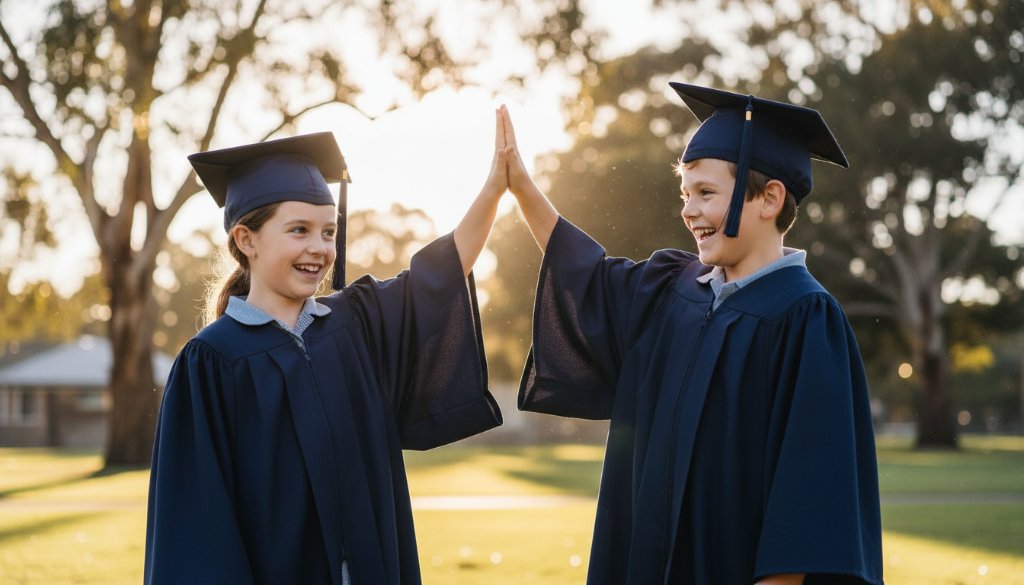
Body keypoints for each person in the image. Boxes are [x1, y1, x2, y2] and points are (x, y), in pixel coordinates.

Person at [503, 84, 883, 585]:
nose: (688, 210)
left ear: (770, 198)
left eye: (706, 193)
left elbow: (807, 504)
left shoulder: (805, 320)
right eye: (685, 194)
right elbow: (587, 277)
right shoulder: (670, 290)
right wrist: (523, 187)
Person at [145, 113, 511, 585]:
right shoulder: (213, 361)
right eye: (298, 230)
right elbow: (195, 522)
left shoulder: (355, 325)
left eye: (328, 231)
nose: (319, 247)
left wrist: (494, 190)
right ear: (245, 239)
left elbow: (438, 275)